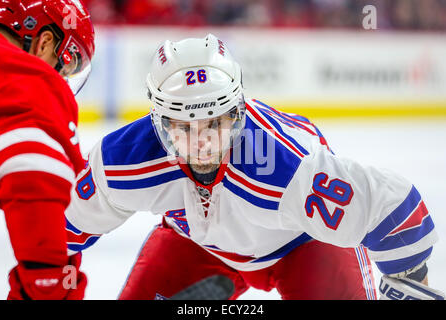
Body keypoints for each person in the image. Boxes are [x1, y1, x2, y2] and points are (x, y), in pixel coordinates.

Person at [65, 34, 443, 300]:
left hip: (305, 246)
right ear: (159, 123)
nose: (202, 145)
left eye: (214, 123)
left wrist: (412, 278)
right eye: (184, 127)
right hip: (202, 248)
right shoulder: (124, 159)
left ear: (237, 114)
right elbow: (64, 231)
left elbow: (392, 210)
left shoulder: (285, 164)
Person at [0, 0, 95, 300]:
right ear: (45, 43)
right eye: (64, 64)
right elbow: (34, 175)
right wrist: (52, 286)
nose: (60, 78)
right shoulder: (31, 83)